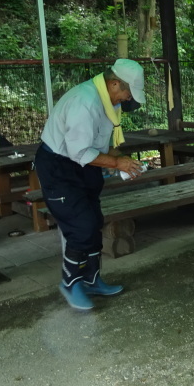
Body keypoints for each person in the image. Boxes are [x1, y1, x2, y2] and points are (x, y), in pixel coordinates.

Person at [34, 59, 146, 311]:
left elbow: (98, 142)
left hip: (82, 165)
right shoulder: (85, 102)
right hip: (59, 166)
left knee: (94, 221)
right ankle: (70, 281)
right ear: (114, 82)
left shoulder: (108, 100)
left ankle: (92, 279)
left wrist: (117, 161)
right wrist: (117, 163)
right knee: (81, 226)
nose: (128, 98)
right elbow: (79, 151)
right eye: (127, 92)